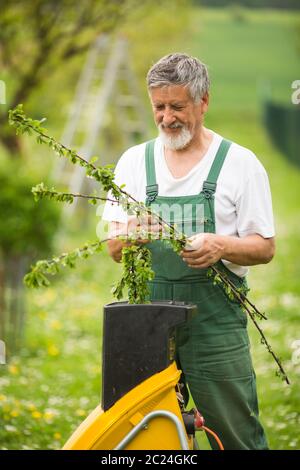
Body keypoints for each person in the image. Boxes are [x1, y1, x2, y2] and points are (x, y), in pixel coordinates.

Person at [103, 53, 275, 450]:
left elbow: (265, 248)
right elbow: (113, 246)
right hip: (146, 325)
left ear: (203, 102)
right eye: (158, 108)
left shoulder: (239, 164)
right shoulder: (133, 163)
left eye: (177, 106)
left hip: (215, 327)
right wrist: (131, 235)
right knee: (150, 438)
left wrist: (222, 245)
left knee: (235, 433)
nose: (166, 118)